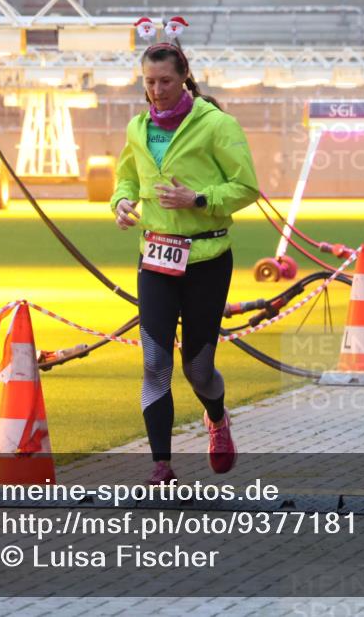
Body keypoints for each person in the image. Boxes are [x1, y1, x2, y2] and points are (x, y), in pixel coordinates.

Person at [111, 41, 260, 485]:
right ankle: (161, 465)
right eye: (149, 82)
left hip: (207, 258)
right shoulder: (137, 128)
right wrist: (120, 200)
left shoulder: (217, 125)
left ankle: (216, 416)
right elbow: (127, 175)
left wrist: (197, 199)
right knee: (154, 362)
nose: (157, 91)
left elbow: (247, 187)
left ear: (184, 78)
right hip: (155, 257)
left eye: (166, 82)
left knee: (197, 367)